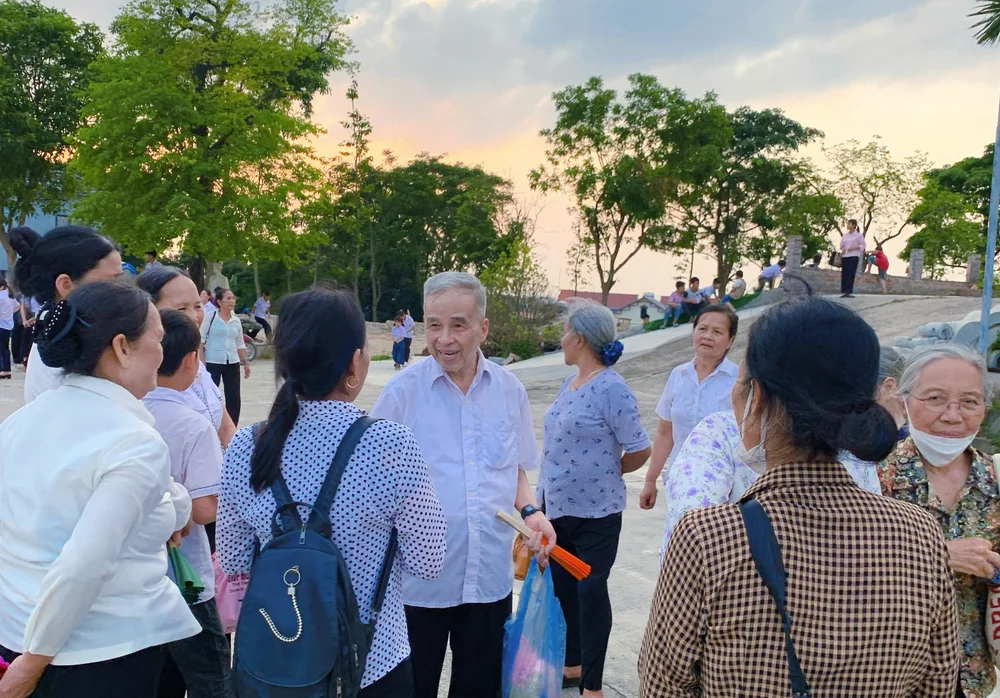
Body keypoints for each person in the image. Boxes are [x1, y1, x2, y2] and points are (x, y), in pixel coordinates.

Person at [638, 297, 960, 697]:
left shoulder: (708, 538)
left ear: (757, 398)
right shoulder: (921, 534)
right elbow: (938, 685)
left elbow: (663, 686)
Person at [218, 288, 447, 698]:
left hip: (279, 667)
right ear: (355, 363)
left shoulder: (247, 445)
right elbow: (428, 563)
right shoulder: (390, 445)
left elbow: (233, 559)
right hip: (372, 665)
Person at [0, 281, 201, 697]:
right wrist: (31, 667)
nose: (162, 352)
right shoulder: (134, 441)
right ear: (123, 347)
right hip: (99, 652)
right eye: (158, 338)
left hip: (15, 629)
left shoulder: (23, 420)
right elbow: (82, 567)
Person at [371, 271, 556, 698]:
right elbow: (371, 483)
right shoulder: (401, 394)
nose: (444, 339)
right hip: (418, 585)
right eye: (434, 325)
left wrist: (531, 512)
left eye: (458, 325)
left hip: (487, 579)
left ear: (483, 328)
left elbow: (515, 470)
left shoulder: (509, 391)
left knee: (479, 688)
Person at [658, 344, 907, 555]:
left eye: (740, 381)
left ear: (756, 395)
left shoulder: (718, 433)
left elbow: (690, 543)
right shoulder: (853, 450)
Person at [539, 301, 650, 697]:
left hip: (597, 515)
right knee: (563, 590)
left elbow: (640, 447)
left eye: (565, 332)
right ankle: (572, 665)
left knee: (589, 592)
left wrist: (608, 471)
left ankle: (593, 685)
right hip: (558, 511)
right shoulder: (568, 384)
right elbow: (554, 447)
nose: (561, 339)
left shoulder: (612, 388)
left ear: (580, 338)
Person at [879, 344, 999, 698]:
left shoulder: (995, 477)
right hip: (892, 675)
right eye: (935, 399)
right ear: (903, 400)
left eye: (970, 402)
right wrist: (939, 555)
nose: (952, 415)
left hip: (974, 677)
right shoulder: (870, 478)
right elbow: (835, 569)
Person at [143, 310, 232, 698]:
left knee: (158, 671)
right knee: (211, 674)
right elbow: (203, 509)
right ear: (193, 360)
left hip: (140, 575)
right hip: (186, 576)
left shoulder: (133, 409)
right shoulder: (193, 423)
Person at [640, 306, 739, 526]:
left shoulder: (739, 380)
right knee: (680, 538)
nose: (708, 336)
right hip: (681, 479)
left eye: (717, 332)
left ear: (730, 341)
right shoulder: (678, 376)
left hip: (724, 483)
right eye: (702, 329)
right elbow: (665, 433)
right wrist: (650, 480)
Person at [9, 225, 124, 402]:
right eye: (110, 282)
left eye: (121, 280)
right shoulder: (61, 353)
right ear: (65, 285)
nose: (122, 291)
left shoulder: (65, 337)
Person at [138, 266, 238, 448]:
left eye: (198, 306)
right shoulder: (141, 381)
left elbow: (225, 428)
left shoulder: (198, 367)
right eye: (181, 308)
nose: (194, 317)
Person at [200, 289, 249, 426]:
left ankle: (232, 427)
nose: (232, 301)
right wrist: (202, 362)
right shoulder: (210, 317)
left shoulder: (236, 320)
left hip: (232, 362)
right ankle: (210, 424)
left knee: (234, 397)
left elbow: (240, 343)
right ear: (219, 301)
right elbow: (201, 340)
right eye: (228, 298)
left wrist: (245, 362)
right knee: (211, 395)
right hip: (213, 361)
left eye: (233, 298)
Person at [840, 219, 865, 298]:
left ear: (854, 225)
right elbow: (841, 244)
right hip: (845, 256)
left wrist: (854, 248)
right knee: (845, 273)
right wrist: (842, 249)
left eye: (849, 224)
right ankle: (844, 291)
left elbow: (863, 245)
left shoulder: (858, 235)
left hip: (854, 255)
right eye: (847, 224)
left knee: (851, 273)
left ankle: (849, 291)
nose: (848, 225)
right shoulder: (845, 235)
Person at [0, 280, 18, 379]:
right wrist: (9, 313)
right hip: (7, 324)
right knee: (5, 347)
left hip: (1, 324)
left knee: (2, 348)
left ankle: (4, 369)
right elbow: (18, 306)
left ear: (2, 287)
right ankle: (6, 369)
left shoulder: (1, 296)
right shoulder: (10, 296)